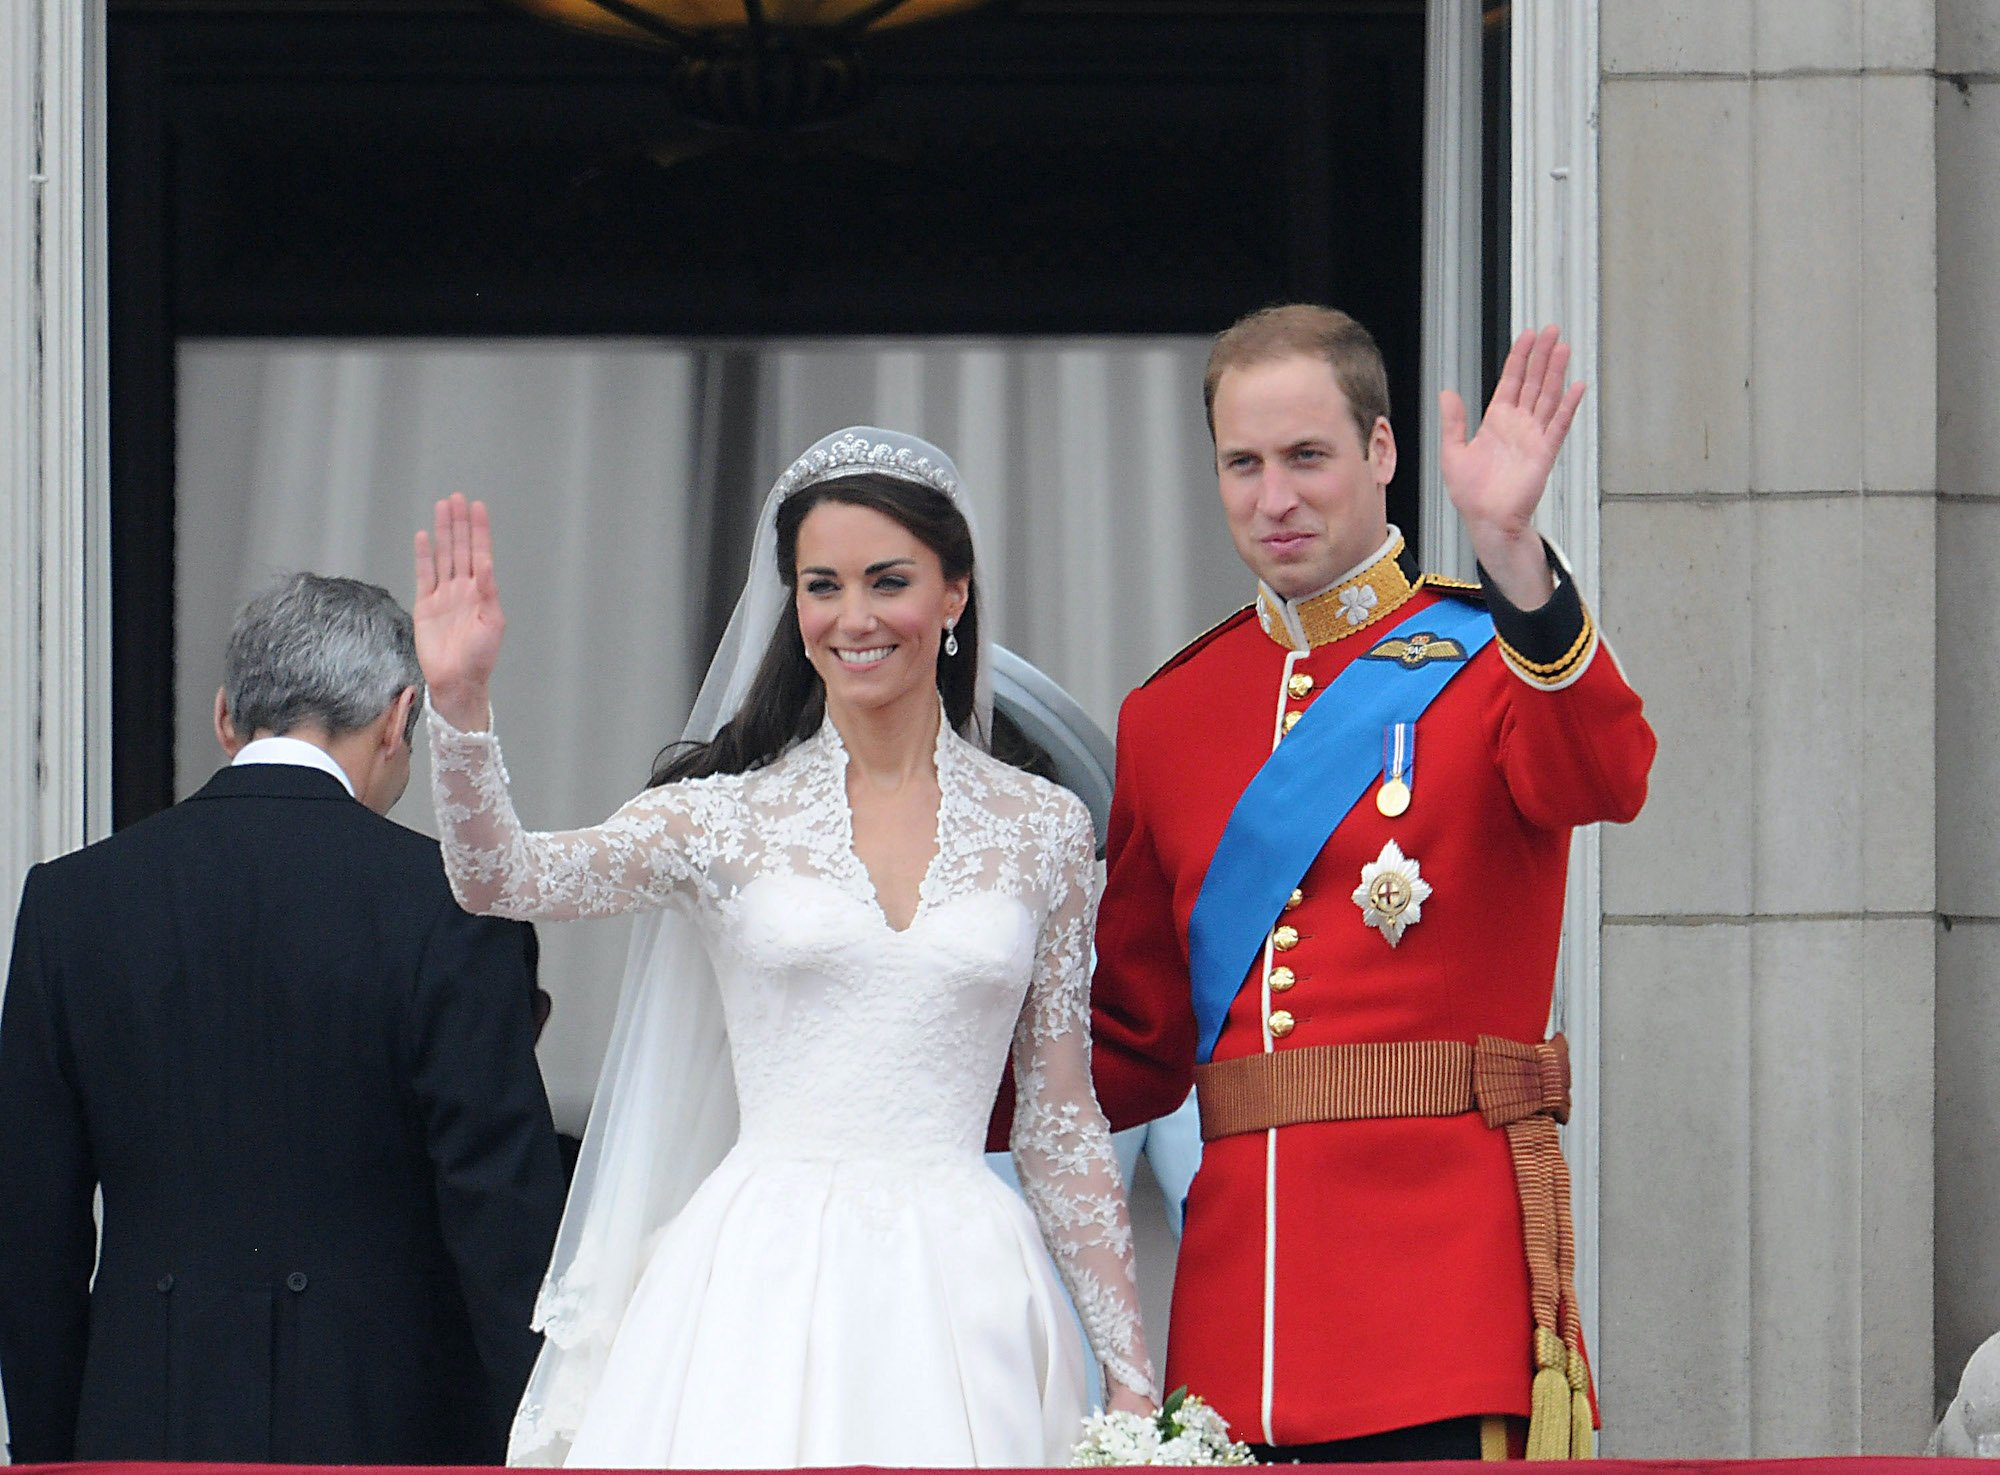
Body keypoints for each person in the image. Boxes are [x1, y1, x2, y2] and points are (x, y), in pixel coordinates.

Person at [414, 426, 1157, 1468]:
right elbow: (500, 877)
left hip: (968, 1284)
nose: (852, 617)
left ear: (952, 594)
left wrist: (1128, 1369)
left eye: (886, 580)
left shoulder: (1043, 827)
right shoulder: (721, 818)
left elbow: (1060, 1119)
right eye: (822, 584)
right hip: (759, 1275)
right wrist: (458, 707)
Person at [1088, 307, 1658, 1461]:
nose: (1273, 497)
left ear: (1381, 453)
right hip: (1237, 1314)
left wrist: (1513, 561)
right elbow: (1133, 1040)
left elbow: (1608, 772)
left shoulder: (1493, 653)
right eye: (1241, 464)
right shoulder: (1169, 715)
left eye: (1306, 456)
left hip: (1436, 1303)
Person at [0, 573, 565, 1464]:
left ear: (227, 716)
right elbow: (505, 1224)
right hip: (389, 1426)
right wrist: (540, 1443)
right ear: (397, 716)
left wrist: (48, 1452)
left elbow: (32, 1231)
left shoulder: (70, 903)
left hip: (139, 1424)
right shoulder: (452, 906)